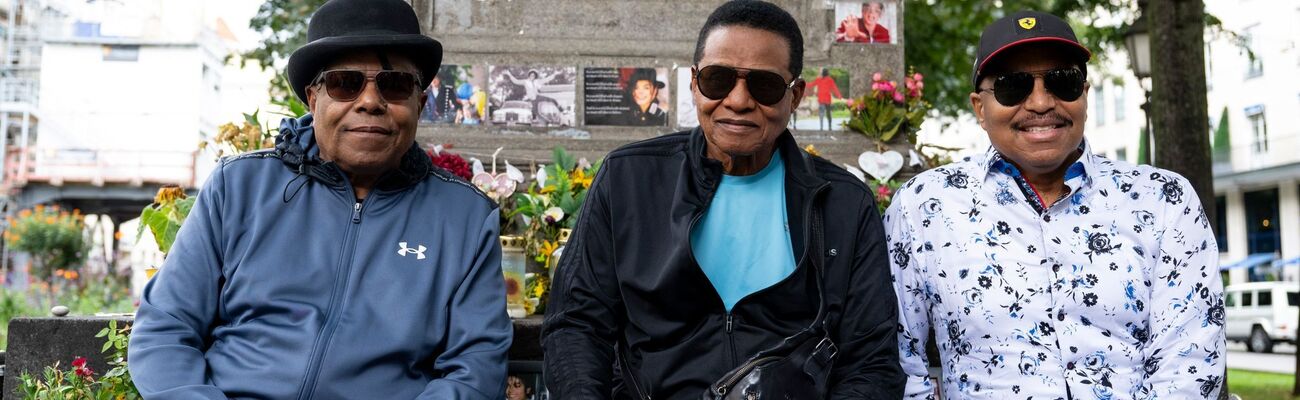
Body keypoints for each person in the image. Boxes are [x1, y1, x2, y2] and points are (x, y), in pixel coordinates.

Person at [127, 0, 512, 398]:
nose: (370, 101)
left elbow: (475, 368)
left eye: (394, 84)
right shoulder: (238, 187)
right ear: (313, 99)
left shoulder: (464, 216)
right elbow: (165, 328)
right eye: (344, 83)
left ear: (420, 102)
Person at [543, 1, 904, 398]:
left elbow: (870, 361)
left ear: (795, 95)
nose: (738, 100)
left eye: (764, 86)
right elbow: (576, 326)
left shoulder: (843, 205)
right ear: (695, 83)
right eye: (719, 80)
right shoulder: (629, 179)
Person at [885, 10, 1225, 399]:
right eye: (1014, 86)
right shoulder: (924, 206)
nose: (1041, 102)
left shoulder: (1165, 199)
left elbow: (1190, 362)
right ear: (980, 108)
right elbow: (898, 360)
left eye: (1063, 81)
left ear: (1084, 94)